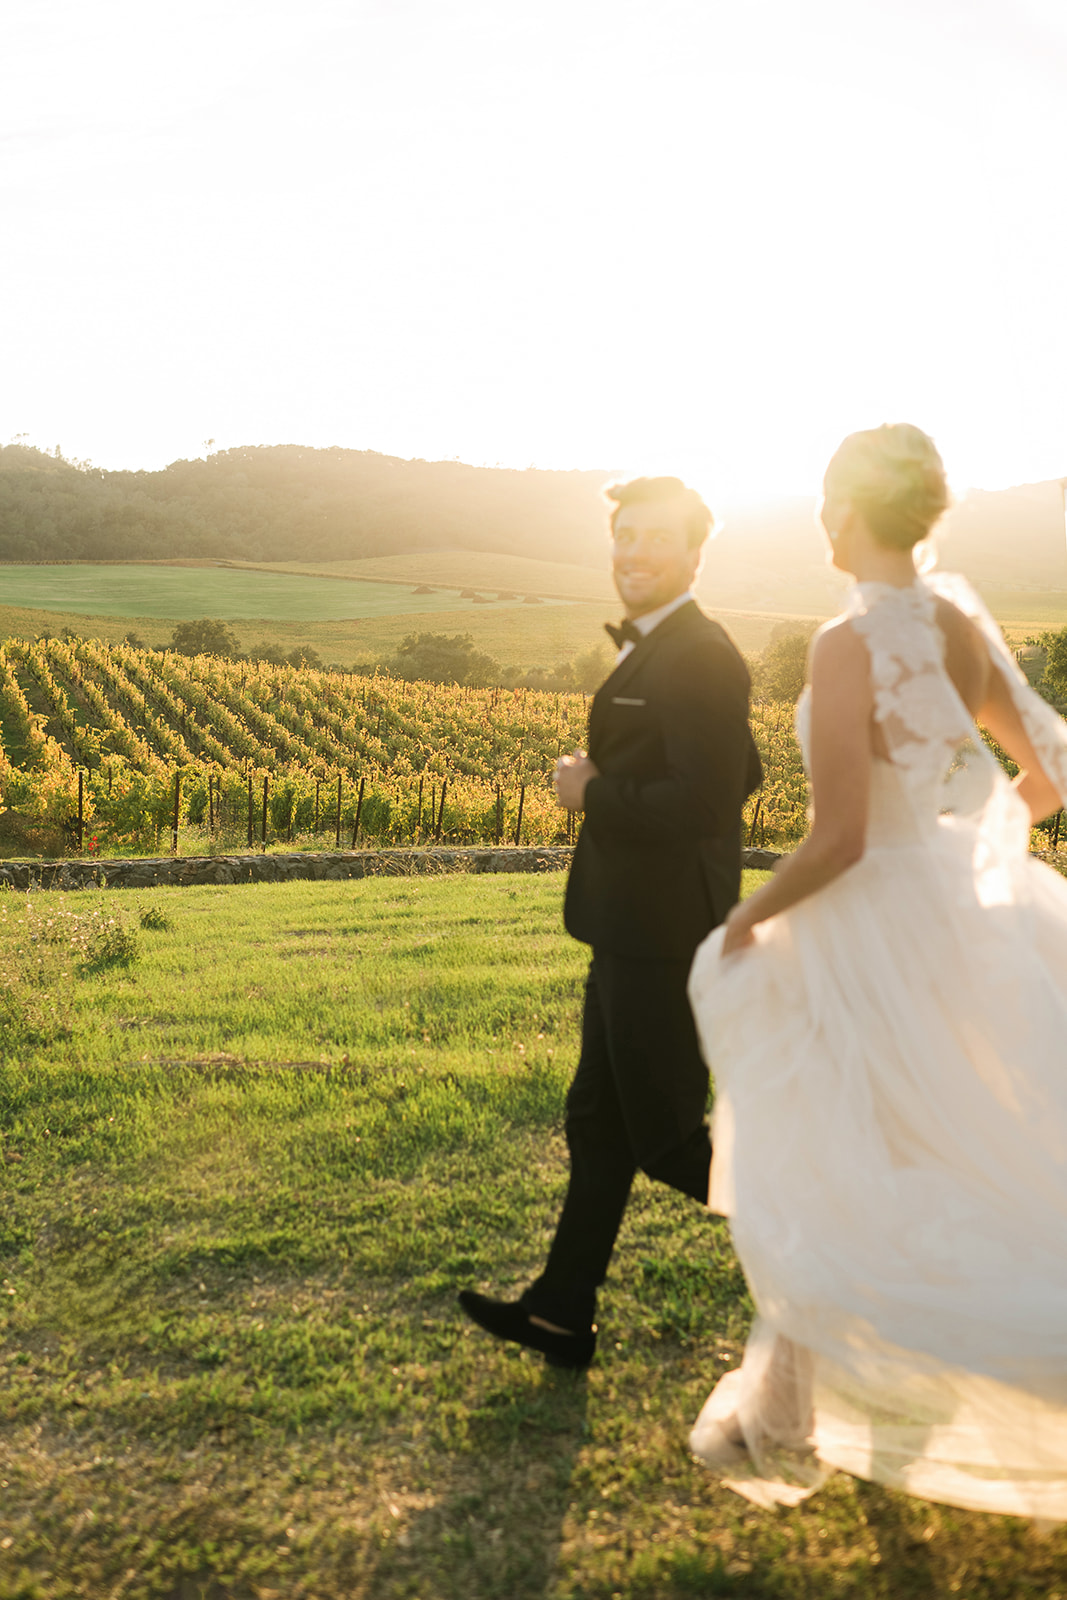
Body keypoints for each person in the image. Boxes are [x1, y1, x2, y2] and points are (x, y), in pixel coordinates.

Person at [687, 423, 1067, 1519]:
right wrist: (966, 852)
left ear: (853, 509)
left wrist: (742, 922)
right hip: (958, 923)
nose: (814, 517)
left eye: (822, 498)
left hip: (861, 931)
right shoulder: (955, 623)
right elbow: (1043, 777)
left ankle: (804, 1409)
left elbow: (839, 836)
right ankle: (784, 1413)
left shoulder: (843, 644)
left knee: (830, 1158)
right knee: (923, 1145)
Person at [459, 475, 761, 1368]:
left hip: (661, 931)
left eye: (656, 538)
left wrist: (595, 791)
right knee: (598, 1119)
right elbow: (739, 772)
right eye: (624, 535)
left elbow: (706, 802)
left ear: (695, 551)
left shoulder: (702, 653)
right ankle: (560, 1310)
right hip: (628, 920)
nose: (634, 553)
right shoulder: (666, 650)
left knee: (667, 1136)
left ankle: (844, 1238)